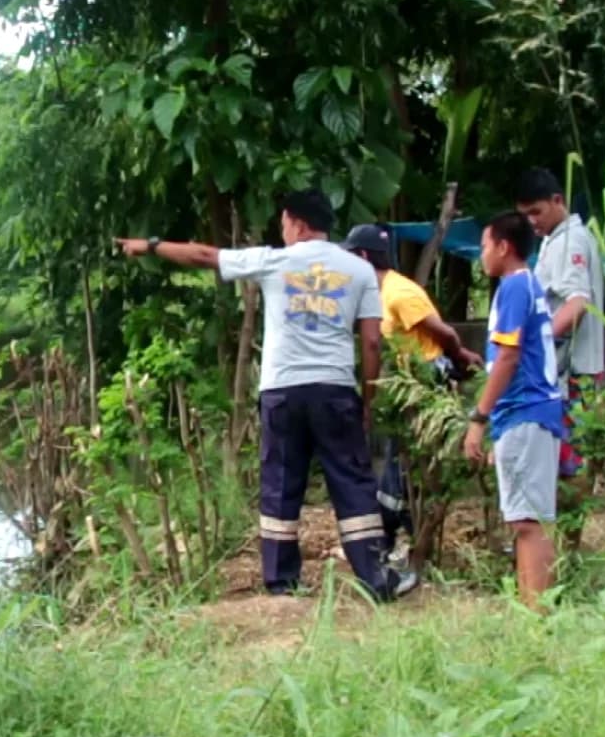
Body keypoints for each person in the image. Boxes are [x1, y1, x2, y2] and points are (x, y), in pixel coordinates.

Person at [115, 189, 418, 602]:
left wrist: (150, 245)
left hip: (281, 390)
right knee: (352, 482)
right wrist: (366, 400)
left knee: (280, 480)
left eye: (283, 223)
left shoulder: (274, 261)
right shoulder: (360, 271)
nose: (282, 229)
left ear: (297, 222)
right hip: (334, 389)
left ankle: (281, 582)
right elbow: (370, 344)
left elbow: (205, 256)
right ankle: (374, 580)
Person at [342, 223, 483, 554]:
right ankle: (406, 534)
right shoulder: (376, 292)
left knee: (400, 463)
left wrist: (461, 358)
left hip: (425, 382)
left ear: (362, 257)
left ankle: (396, 537)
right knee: (402, 462)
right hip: (406, 386)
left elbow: (443, 333)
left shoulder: (401, 293)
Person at [463, 211, 564, 611]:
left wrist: (478, 418)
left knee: (529, 523)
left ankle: (536, 617)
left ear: (504, 247)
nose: (482, 255)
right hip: (522, 415)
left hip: (526, 410)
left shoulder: (514, 288)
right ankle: (530, 611)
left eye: (485, 246)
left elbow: (508, 355)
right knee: (526, 520)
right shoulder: (521, 285)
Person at [514, 168, 605, 552]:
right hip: (565, 372)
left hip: (574, 373)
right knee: (557, 464)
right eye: (525, 216)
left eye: (536, 212)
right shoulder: (556, 240)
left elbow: (577, 302)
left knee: (571, 467)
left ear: (557, 201)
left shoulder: (570, 241)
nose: (531, 222)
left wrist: (536, 344)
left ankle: (565, 549)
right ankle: (556, 546)